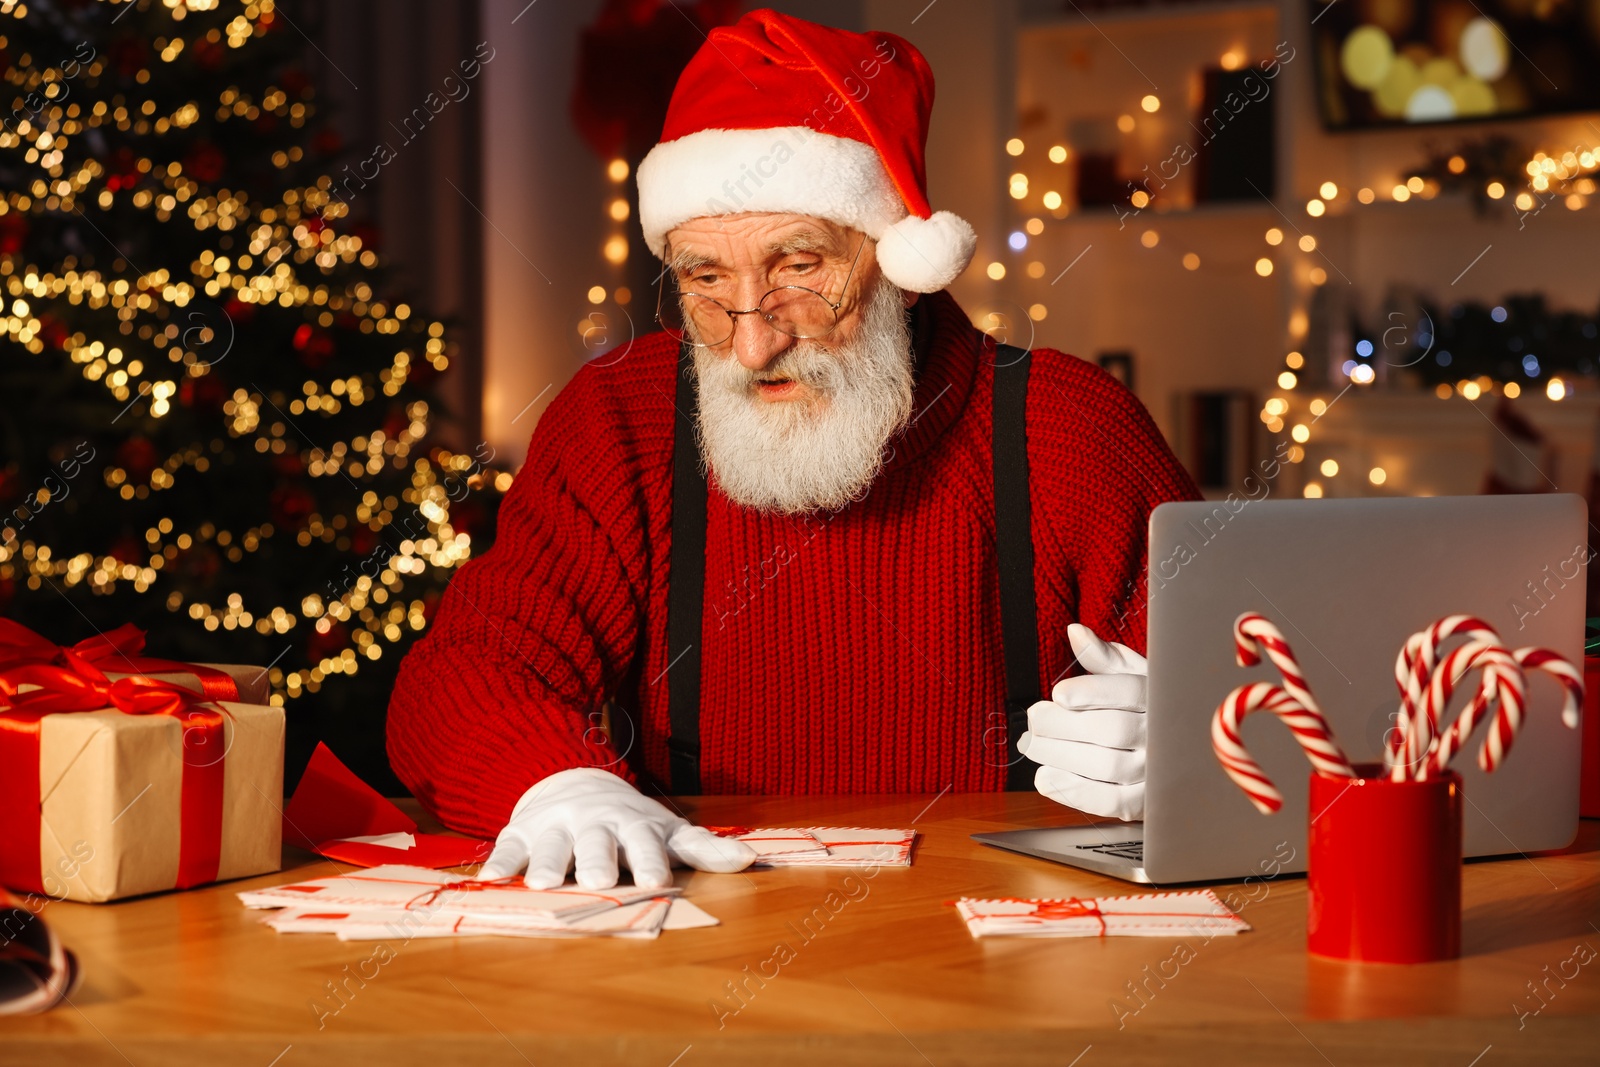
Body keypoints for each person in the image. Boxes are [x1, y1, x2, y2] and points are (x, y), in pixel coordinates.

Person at [386, 9, 1201, 892]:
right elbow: (464, 671)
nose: (752, 344)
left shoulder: (1071, 428)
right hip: (693, 973)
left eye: (799, 267)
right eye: (705, 280)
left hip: (1004, 979)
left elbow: (1287, 687)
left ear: (895, 257)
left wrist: (1202, 740)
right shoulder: (618, 419)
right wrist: (555, 780)